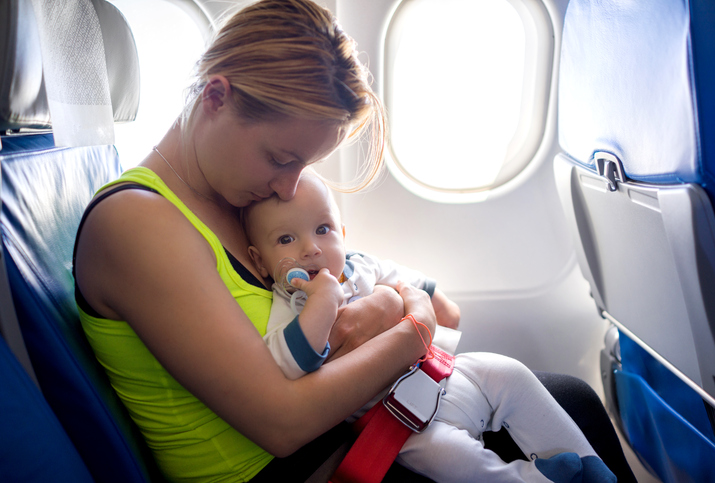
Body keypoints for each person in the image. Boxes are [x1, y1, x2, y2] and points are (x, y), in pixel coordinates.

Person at [73, 0, 636, 481]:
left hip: (355, 430)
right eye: (280, 158)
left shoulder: (238, 194)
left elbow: (384, 288)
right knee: (570, 406)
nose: (289, 186)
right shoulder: (136, 226)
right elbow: (283, 424)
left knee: (564, 394)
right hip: (303, 465)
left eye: (305, 166)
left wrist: (401, 302)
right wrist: (413, 328)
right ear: (216, 97)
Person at [243, 170, 617, 482]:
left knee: (508, 371)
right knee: (450, 459)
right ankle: (535, 478)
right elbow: (288, 364)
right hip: (395, 419)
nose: (311, 248)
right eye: (286, 239)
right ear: (261, 263)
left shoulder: (361, 265)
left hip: (441, 371)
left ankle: (588, 464)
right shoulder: (287, 306)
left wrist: (415, 298)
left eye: (323, 230)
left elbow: (419, 288)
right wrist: (323, 303)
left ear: (343, 232)